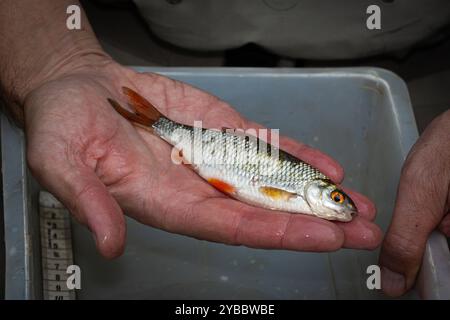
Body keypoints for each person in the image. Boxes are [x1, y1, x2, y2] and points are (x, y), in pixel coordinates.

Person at [0, 1, 447, 298]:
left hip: (405, 53)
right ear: (315, 192)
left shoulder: (300, 196)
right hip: (134, 33)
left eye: (335, 198)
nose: (341, 205)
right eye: (335, 197)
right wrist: (57, 63)